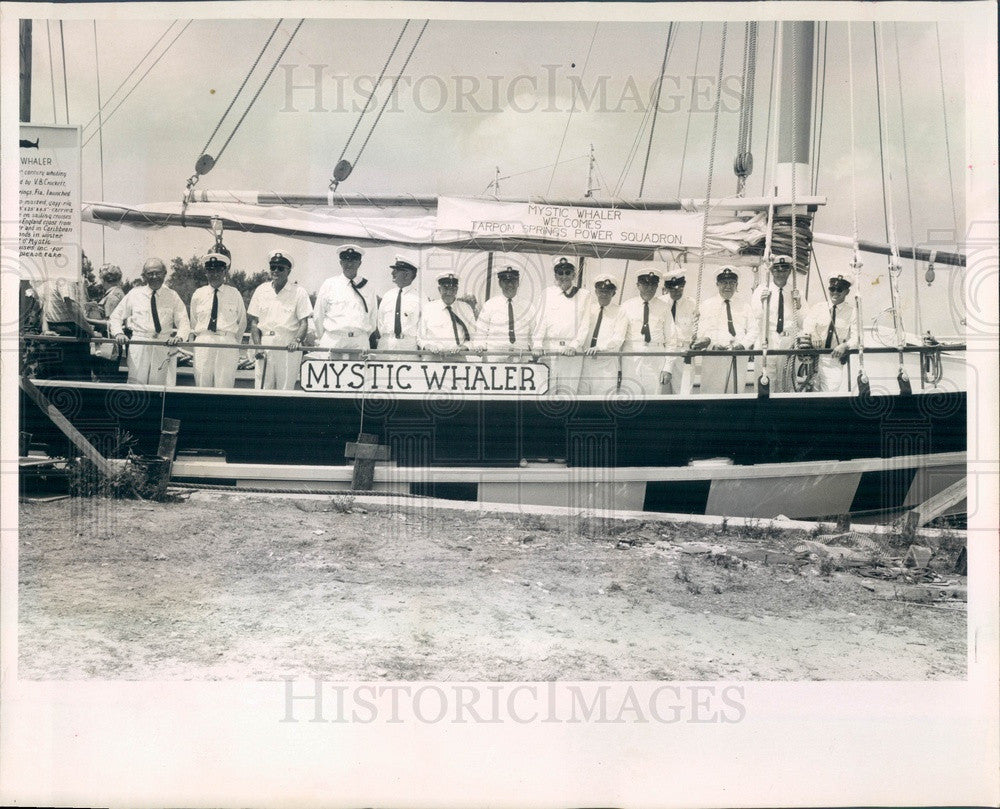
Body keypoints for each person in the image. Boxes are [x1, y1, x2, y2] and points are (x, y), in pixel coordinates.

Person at [110, 258, 190, 385]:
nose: (154, 276)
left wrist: (179, 337)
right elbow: (115, 317)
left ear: (164, 273)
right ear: (144, 276)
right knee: (137, 386)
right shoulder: (134, 294)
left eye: (158, 273)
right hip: (139, 345)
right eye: (150, 273)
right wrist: (118, 333)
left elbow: (184, 321)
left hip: (163, 345)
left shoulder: (172, 296)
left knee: (161, 387)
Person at [247, 250, 312, 390]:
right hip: (265, 344)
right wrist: (257, 345)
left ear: (288, 271)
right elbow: (254, 323)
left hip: (288, 346)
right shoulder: (261, 290)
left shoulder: (299, 292)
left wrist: (296, 340)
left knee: (286, 391)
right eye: (273, 267)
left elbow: (304, 323)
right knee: (262, 390)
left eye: (280, 268)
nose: (276, 271)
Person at [188, 245, 247, 388]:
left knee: (224, 387)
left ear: (224, 271)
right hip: (203, 342)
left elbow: (242, 323)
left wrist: (230, 340)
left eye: (218, 270)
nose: (214, 274)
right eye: (210, 270)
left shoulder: (234, 293)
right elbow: (194, 321)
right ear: (206, 272)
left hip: (227, 343)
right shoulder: (198, 294)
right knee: (202, 385)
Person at [532, 257, 592, 393]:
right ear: (555, 275)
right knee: (547, 391)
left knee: (569, 392)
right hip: (550, 349)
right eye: (560, 272)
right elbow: (540, 322)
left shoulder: (584, 295)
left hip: (572, 352)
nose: (564, 276)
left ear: (573, 274)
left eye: (567, 272)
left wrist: (574, 346)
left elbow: (585, 324)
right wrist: (537, 345)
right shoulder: (547, 293)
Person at [746, 256, 803, 392]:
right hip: (767, 339)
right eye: (776, 269)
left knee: (786, 381)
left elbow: (802, 322)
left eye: (784, 269)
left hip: (787, 340)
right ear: (771, 271)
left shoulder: (795, 291)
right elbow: (755, 318)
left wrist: (799, 304)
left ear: (789, 272)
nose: (780, 272)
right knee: (765, 380)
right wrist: (762, 302)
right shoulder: (761, 290)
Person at [693, 267, 752, 394]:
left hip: (738, 356)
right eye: (724, 283)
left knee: (735, 394)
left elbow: (754, 330)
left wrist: (742, 345)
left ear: (737, 285)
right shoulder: (706, 305)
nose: (728, 286)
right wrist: (713, 345)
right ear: (717, 284)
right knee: (711, 395)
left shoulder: (745, 306)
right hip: (714, 357)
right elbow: (701, 332)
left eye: (732, 283)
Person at [313, 244, 378, 354]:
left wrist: (361, 335)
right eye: (345, 260)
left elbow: (373, 317)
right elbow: (318, 315)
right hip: (333, 339)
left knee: (360, 371)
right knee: (329, 371)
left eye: (353, 261)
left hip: (359, 341)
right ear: (340, 263)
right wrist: (327, 335)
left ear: (359, 263)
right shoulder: (329, 284)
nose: (349, 264)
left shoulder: (368, 287)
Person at [802, 274, 858, 392]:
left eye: (839, 289)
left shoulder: (852, 312)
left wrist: (845, 345)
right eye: (832, 289)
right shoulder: (818, 307)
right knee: (811, 395)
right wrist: (813, 333)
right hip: (814, 359)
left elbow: (856, 337)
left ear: (847, 292)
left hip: (834, 361)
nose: (835, 292)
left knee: (830, 394)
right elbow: (807, 324)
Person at [620, 268, 672, 395]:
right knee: (630, 396)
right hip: (631, 357)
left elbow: (671, 339)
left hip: (655, 358)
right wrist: (618, 368)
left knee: (653, 397)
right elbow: (619, 337)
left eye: (653, 285)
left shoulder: (664, 307)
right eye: (646, 284)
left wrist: (668, 368)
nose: (650, 288)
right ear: (638, 285)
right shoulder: (626, 306)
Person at [580, 273, 629, 395]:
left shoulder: (620, 312)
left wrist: (600, 348)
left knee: (604, 401)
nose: (604, 294)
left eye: (608, 291)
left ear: (614, 293)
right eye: (601, 291)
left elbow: (618, 338)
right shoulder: (588, 309)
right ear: (596, 292)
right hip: (585, 362)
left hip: (606, 365)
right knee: (582, 399)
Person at [473, 265, 536, 359]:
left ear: (518, 283)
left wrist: (535, 347)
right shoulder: (490, 305)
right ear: (500, 283)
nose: (510, 285)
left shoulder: (528, 306)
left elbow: (534, 332)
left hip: (521, 356)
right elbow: (481, 331)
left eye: (513, 281)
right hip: (495, 356)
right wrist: (479, 345)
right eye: (506, 282)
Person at [418, 271, 476, 355]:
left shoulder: (465, 309)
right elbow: (420, 337)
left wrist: (464, 346)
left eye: (452, 289)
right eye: (445, 288)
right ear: (439, 289)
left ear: (456, 290)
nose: (449, 292)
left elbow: (474, 336)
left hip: (458, 359)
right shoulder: (429, 308)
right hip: (432, 359)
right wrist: (428, 346)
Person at [659, 268, 696, 394]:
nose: (675, 291)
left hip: (683, 353)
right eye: (672, 288)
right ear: (666, 288)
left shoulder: (692, 304)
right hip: (663, 353)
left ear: (683, 285)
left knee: (684, 393)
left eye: (679, 287)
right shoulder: (660, 303)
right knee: (660, 392)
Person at [376, 255, 421, 353]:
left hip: (408, 346)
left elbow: (423, 327)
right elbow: (380, 321)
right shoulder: (388, 295)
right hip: (386, 344)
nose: (392, 273)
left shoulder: (420, 298)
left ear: (407, 274)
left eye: (397, 270)